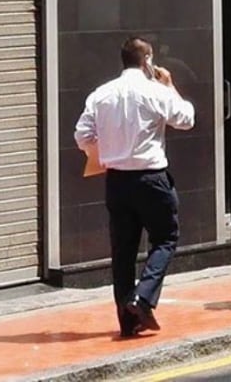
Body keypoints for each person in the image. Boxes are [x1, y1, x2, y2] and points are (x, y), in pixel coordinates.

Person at [75, 37, 197, 336]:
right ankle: (143, 297)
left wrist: (104, 153)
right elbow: (186, 119)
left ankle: (127, 319)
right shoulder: (155, 90)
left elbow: (82, 134)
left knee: (123, 250)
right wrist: (169, 86)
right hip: (152, 178)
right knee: (166, 238)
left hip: (116, 180)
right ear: (147, 61)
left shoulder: (101, 94)